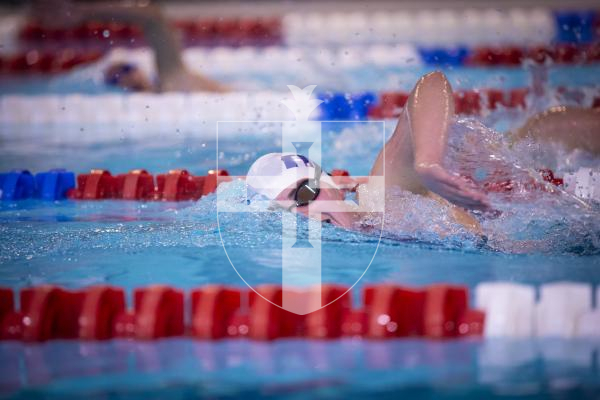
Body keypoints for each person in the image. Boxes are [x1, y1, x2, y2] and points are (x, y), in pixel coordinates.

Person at [246, 71, 600, 235]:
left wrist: (427, 162)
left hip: (538, 157)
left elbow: (431, 83)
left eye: (306, 193)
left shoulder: (385, 193)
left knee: (540, 133)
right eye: (288, 214)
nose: (307, 216)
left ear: (337, 184)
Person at [31, 1, 226, 92]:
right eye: (117, 78)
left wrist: (82, 12)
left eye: (126, 69)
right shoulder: (166, 93)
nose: (126, 77)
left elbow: (152, 16)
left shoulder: (172, 79)